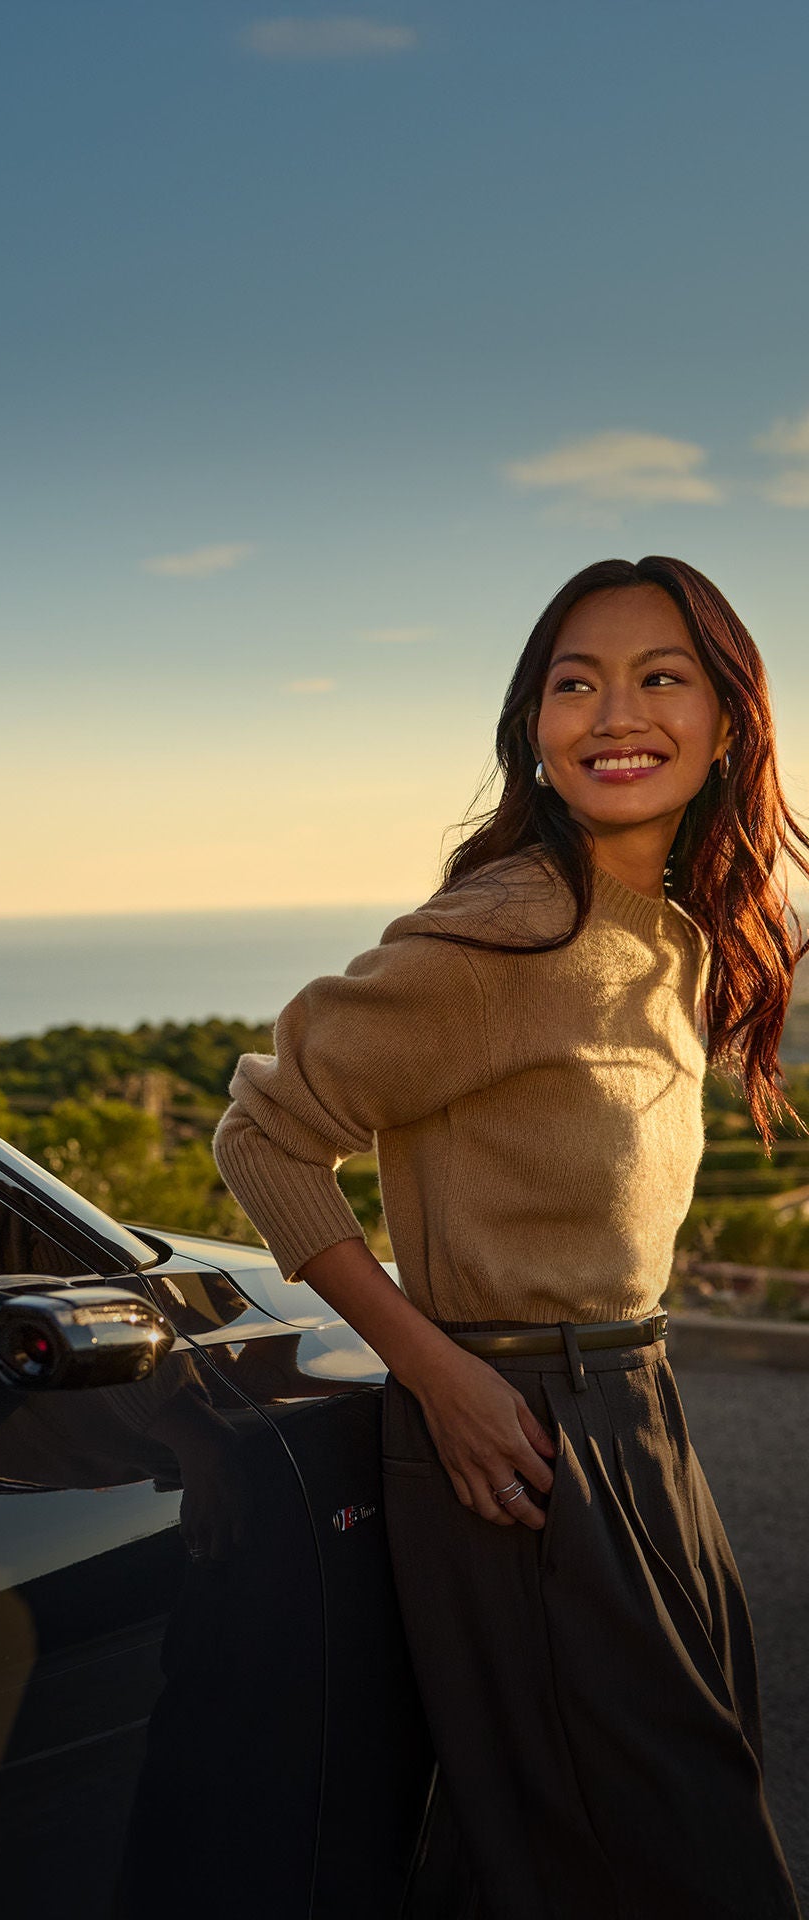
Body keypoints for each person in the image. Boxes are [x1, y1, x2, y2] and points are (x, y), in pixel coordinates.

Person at [212, 556, 807, 1920]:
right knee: (671, 1856)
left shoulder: (671, 936)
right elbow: (265, 1134)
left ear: (728, 723)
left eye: (662, 678)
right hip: (515, 1429)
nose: (615, 713)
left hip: (640, 1411)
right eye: (573, 683)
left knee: (550, 1852)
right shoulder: (504, 936)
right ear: (532, 728)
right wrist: (438, 1373)